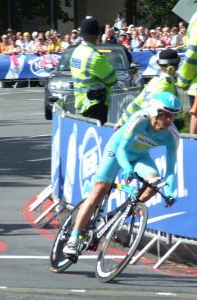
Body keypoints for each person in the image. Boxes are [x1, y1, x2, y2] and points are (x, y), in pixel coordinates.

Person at [63, 92, 181, 255]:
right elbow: (122, 149)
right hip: (117, 150)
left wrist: (169, 191)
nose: (168, 120)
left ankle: (116, 215)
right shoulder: (140, 119)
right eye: (165, 115)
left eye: (173, 116)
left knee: (154, 183)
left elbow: (170, 170)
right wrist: (126, 168)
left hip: (140, 156)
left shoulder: (172, 136)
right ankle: (73, 239)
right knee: (99, 190)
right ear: (154, 111)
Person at [115, 49, 180, 129]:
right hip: (152, 129)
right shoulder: (167, 84)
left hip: (140, 125)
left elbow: (135, 104)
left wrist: (122, 122)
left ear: (160, 65)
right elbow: (154, 111)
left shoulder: (155, 81)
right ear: (177, 65)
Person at [71, 16, 118, 124]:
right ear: (97, 35)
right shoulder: (94, 57)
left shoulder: (76, 52)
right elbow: (112, 79)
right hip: (95, 105)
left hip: (81, 103)